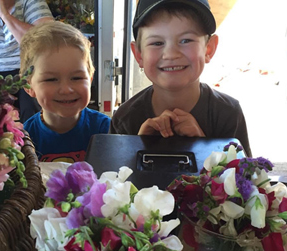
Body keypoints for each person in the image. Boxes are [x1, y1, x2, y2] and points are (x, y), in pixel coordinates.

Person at [110, 0, 252, 157]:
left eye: (186, 40)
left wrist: (202, 145)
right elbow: (111, 178)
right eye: (157, 43)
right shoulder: (124, 119)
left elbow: (245, 177)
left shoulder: (227, 114)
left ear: (208, 49)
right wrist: (136, 145)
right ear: (139, 55)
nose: (171, 54)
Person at [20, 21, 111, 163]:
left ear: (90, 79)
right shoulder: (25, 137)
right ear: (28, 86)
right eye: (51, 79)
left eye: (76, 78)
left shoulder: (105, 129)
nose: (66, 89)